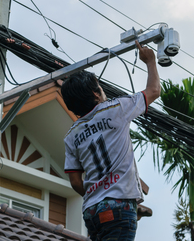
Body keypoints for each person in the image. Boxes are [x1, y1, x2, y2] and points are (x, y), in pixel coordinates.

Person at [61, 40, 160, 241]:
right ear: (96, 94)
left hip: (92, 211)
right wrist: (150, 61)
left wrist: (98, 195)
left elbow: (75, 181)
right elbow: (154, 91)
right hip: (118, 207)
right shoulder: (117, 109)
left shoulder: (71, 135)